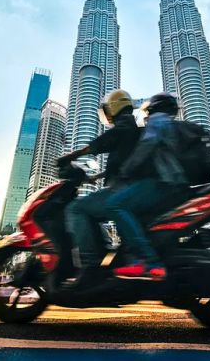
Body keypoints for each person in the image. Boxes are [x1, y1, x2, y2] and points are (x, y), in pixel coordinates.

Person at [104, 93, 192, 281]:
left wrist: (126, 170)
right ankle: (142, 257)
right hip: (176, 183)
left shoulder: (158, 120)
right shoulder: (171, 123)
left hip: (165, 183)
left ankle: (148, 262)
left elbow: (147, 145)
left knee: (115, 204)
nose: (147, 113)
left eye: (149, 109)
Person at [57, 89, 141, 288]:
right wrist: (94, 177)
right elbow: (122, 164)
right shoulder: (135, 131)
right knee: (92, 211)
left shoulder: (124, 127)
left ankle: (89, 266)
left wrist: (71, 156)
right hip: (130, 188)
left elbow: (100, 143)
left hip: (122, 191)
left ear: (115, 106)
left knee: (75, 209)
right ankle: (105, 258)